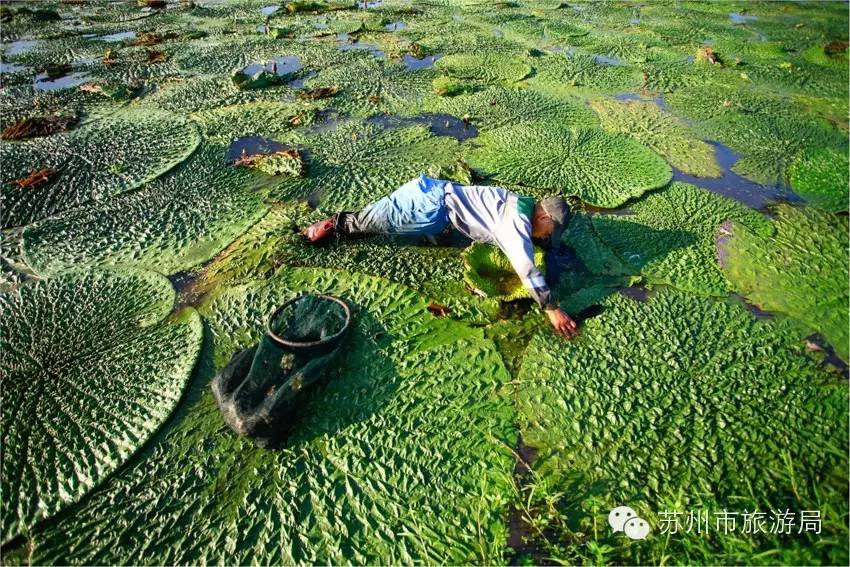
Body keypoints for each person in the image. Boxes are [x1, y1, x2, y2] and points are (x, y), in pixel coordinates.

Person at [301, 174, 578, 338]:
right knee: (370, 222)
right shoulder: (516, 224)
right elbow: (525, 267)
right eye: (547, 231)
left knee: (385, 219)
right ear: (542, 215)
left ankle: (430, 234)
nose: (543, 238)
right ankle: (326, 226)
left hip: (437, 197)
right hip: (424, 206)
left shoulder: (520, 201)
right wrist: (552, 308)